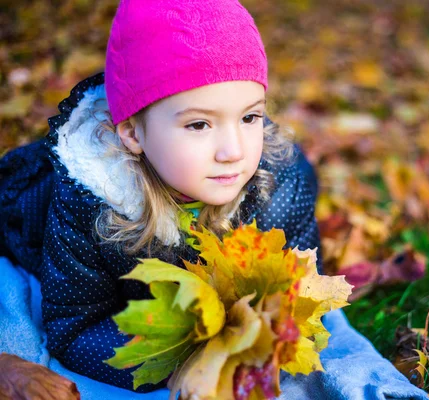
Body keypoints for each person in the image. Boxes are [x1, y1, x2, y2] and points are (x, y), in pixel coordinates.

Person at [0, 0, 322, 392]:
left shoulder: (282, 188)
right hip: (23, 221)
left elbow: (299, 296)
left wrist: (258, 349)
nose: (233, 150)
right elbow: (75, 327)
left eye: (249, 117)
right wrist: (184, 360)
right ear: (134, 133)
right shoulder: (90, 204)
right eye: (199, 124)